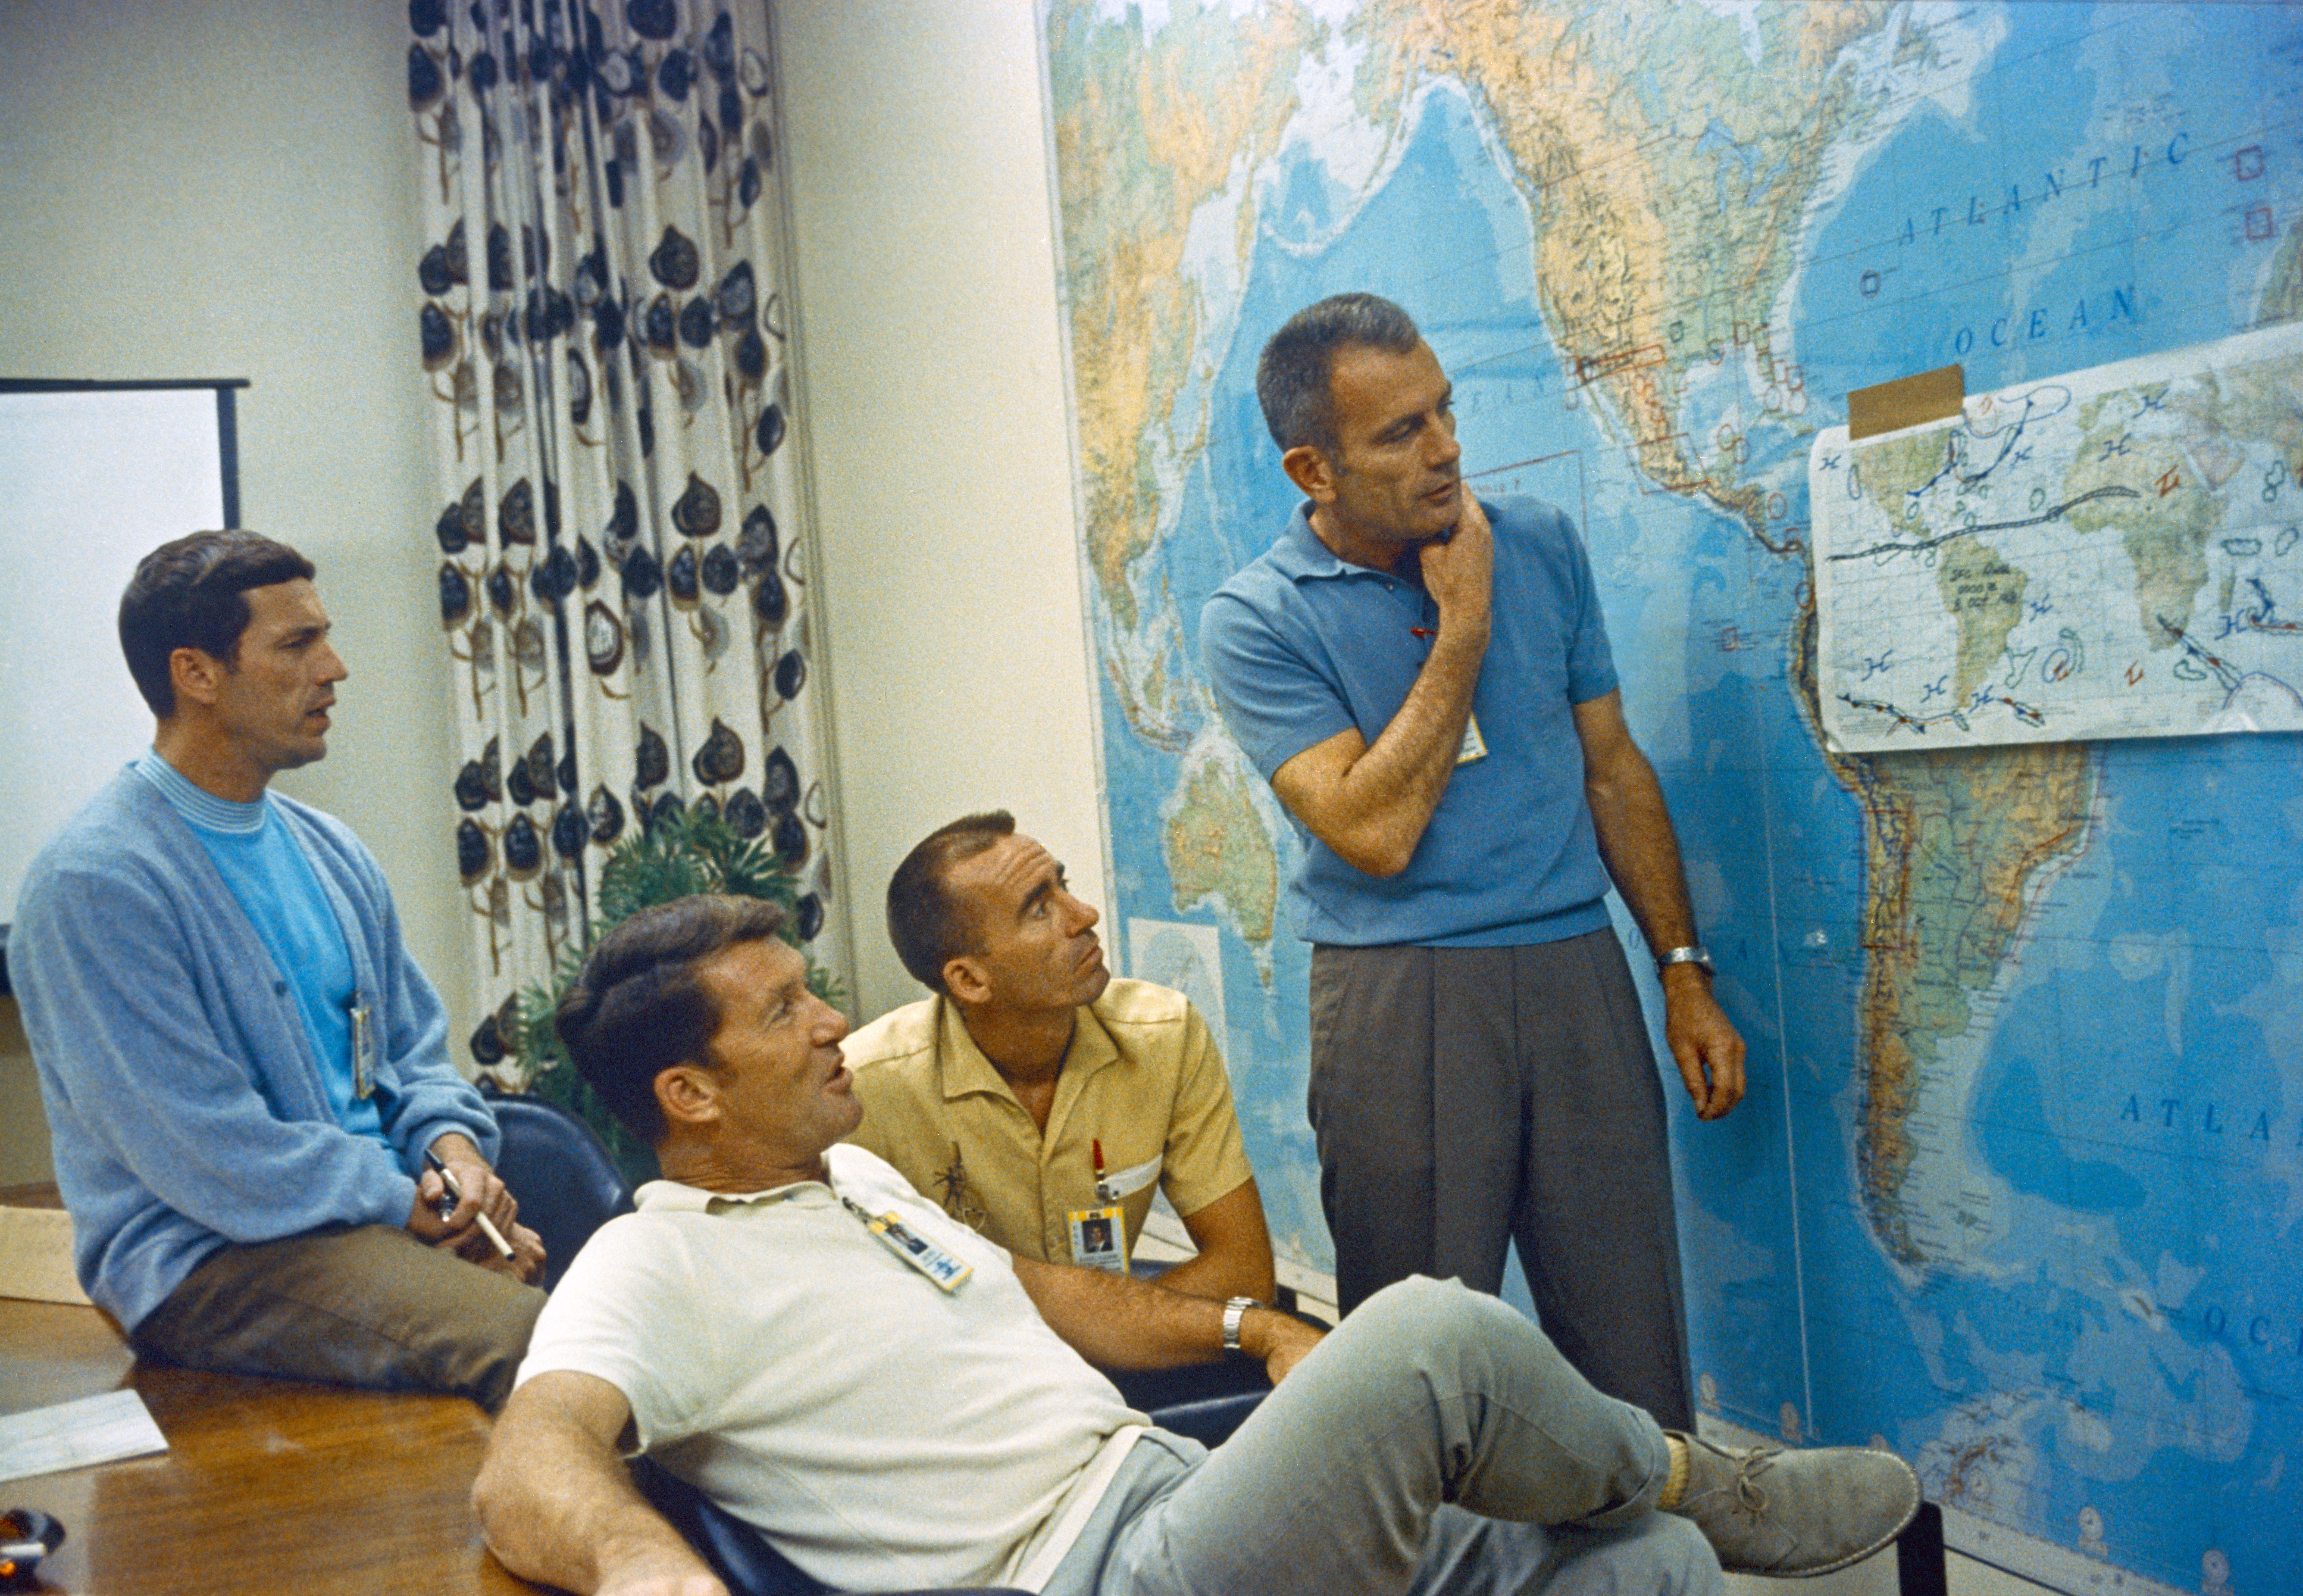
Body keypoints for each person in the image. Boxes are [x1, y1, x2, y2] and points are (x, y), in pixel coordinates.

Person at [474, 893, 1921, 1596]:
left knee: (1643, 1568)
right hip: (1092, 1575)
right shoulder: (647, 1261)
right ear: (687, 1092)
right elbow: (531, 1453)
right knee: (1427, 1335)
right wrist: (635, 1572)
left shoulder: (843, 1173)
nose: (830, 1019)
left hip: (1179, 1488)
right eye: (785, 1008)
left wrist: (1249, 1329)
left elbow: (1034, 1291)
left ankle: (1679, 1505)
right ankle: (1711, 1476)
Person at [1198, 293, 1747, 1430]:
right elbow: (1371, 830)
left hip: (1575, 970)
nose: (1445, 448)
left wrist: (1680, 967)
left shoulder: (1536, 539)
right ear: (1314, 466)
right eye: (1399, 432)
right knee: (1417, 1375)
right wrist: (1460, 628)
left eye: (1443, 411)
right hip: (1401, 992)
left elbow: (1609, 766)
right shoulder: (1256, 617)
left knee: (1632, 1350)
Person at [9, 530, 544, 1407]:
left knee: (609, 1322)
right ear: (198, 673)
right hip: (209, 1257)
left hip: (370, 1211)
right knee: (533, 1345)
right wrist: (412, 1207)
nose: (334, 668)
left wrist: (454, 1161)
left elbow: (412, 1058)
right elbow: (206, 1149)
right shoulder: (95, 884)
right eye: (297, 645)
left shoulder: (328, 849)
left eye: (323, 638)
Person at [843, 811, 1274, 1301]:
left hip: (1100, 1344)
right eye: (1039, 910)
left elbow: (1243, 1272)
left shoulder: (1165, 1035)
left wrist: (1096, 1332)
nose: (1084, 914)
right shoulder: (863, 1088)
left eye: (1062, 884)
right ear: (969, 980)